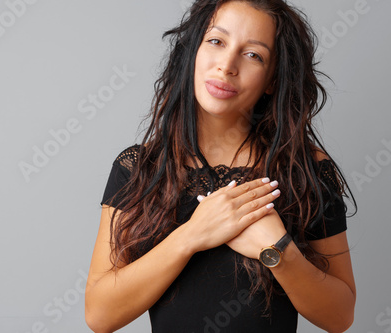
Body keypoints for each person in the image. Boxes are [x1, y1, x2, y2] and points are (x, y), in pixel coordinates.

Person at [85, 0, 358, 332]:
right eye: (216, 41)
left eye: (253, 54)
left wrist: (280, 252)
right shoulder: (139, 169)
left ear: (272, 79)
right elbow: (99, 315)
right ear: (193, 52)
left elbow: (340, 316)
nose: (227, 65)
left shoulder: (306, 169)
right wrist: (192, 235)